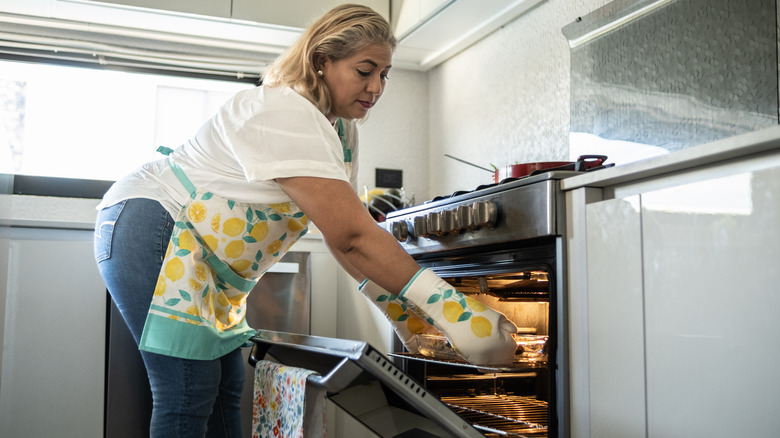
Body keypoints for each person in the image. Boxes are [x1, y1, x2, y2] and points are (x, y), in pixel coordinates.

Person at [93, 3, 517, 437]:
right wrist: (457, 313)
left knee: (225, 386)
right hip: (155, 224)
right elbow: (354, 236)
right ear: (321, 63)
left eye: (385, 74)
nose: (376, 87)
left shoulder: (342, 131)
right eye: (365, 71)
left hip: (201, 256)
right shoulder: (283, 111)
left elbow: (339, 233)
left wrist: (406, 318)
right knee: (187, 389)